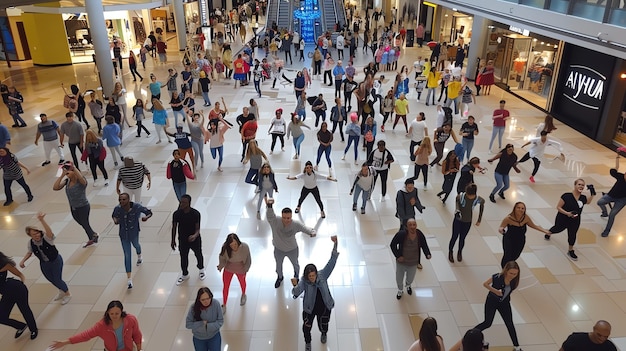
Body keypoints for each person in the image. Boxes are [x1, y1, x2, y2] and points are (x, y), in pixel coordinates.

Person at [291, 236, 339, 350]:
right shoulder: (304, 281)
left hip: (324, 306)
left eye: (313, 275)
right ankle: (308, 343)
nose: (312, 278)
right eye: (310, 276)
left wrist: (335, 244)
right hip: (309, 309)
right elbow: (296, 292)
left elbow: (332, 262)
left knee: (323, 324)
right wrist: (295, 285)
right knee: (306, 328)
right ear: (306, 276)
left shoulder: (323, 275)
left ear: (316, 273)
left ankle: (324, 333)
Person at [19, 212, 72, 304]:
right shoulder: (31, 243)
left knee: (57, 279)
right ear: (30, 236)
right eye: (34, 234)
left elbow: (49, 232)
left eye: (37, 233)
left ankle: (67, 294)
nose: (37, 235)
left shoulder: (47, 238)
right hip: (44, 263)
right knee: (50, 279)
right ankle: (61, 290)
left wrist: (42, 220)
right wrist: (23, 261)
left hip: (55, 261)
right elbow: (29, 252)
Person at [265, 197, 316, 288]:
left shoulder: (295, 224)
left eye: (288, 218)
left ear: (291, 217)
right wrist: (269, 206)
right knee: (278, 266)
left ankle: (296, 276)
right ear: (281, 216)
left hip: (292, 249)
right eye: (284, 218)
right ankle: (280, 277)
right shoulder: (275, 221)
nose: (286, 220)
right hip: (278, 249)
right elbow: (270, 216)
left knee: (295, 264)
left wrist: (311, 232)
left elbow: (304, 228)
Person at [50, 300, 142, 350]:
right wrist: (66, 342)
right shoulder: (102, 326)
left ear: (121, 312)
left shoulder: (130, 320)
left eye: (117, 313)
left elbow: (137, 334)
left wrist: (139, 349)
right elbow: (85, 335)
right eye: (112, 314)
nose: (114, 316)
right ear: (108, 313)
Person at [474, 261, 523, 351]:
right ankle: (472, 334)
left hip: (504, 303)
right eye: (511, 273)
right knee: (487, 322)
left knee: (510, 323)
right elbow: (485, 284)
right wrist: (495, 291)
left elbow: (509, 291)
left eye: (515, 274)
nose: (513, 275)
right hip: (492, 302)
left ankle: (517, 346)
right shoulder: (497, 277)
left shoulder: (514, 281)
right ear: (506, 271)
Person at [546, 179, 595, 261]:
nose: (581, 186)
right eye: (579, 184)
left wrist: (592, 194)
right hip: (563, 218)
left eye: (583, 185)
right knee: (557, 229)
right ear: (575, 185)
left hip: (575, 220)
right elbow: (558, 207)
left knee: (572, 234)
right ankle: (549, 232)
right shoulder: (566, 196)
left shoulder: (583, 197)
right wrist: (567, 213)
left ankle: (570, 250)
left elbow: (588, 202)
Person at [53, 161, 99, 247]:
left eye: (68, 173)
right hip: (73, 207)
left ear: (74, 172)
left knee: (85, 223)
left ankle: (92, 237)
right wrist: (62, 175)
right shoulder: (67, 181)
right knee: (81, 223)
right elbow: (55, 187)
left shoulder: (81, 182)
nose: (67, 174)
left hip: (83, 207)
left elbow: (82, 180)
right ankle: (93, 234)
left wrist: (73, 168)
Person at [112, 192, 152, 289]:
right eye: (120, 199)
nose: (121, 201)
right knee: (127, 255)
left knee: (136, 245)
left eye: (124, 199)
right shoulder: (118, 209)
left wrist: (146, 217)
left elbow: (149, 212)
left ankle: (139, 255)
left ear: (129, 200)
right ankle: (129, 279)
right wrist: (115, 220)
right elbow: (114, 215)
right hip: (123, 235)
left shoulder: (137, 207)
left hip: (134, 233)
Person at [0, 251, 38, 340]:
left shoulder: (5, 265)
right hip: (7, 294)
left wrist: (22, 283)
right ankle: (21, 326)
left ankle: (33, 329)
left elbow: (20, 275)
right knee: (1, 317)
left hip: (17, 290)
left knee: (24, 309)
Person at [498, 202, 550, 267]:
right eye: (518, 208)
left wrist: (544, 231)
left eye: (522, 208)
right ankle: (504, 269)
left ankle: (509, 267)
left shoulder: (525, 218)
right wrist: (501, 230)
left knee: (515, 255)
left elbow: (534, 226)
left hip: (520, 240)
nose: (520, 209)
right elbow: (501, 227)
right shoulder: (508, 218)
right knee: (507, 255)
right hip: (509, 240)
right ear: (514, 208)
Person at [390, 219, 431, 299]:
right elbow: (393, 244)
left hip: (413, 262)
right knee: (399, 278)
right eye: (410, 225)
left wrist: (427, 254)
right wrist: (398, 256)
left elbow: (424, 245)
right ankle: (400, 290)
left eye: (414, 224)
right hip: (401, 263)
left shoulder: (419, 234)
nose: (412, 227)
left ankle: (408, 285)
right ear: (406, 227)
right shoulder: (401, 234)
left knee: (410, 278)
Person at [172, 194, 205, 285]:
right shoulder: (177, 214)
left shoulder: (195, 214)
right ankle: (185, 274)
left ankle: (201, 269)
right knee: (183, 257)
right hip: (182, 239)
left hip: (195, 239)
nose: (181, 204)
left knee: (198, 254)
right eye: (181, 202)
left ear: (189, 203)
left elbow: (198, 229)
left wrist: (194, 236)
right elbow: (174, 227)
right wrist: (173, 240)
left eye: (184, 202)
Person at [448, 184, 484, 263]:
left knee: (462, 238)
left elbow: (482, 204)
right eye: (468, 195)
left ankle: (459, 252)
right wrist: (457, 211)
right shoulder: (460, 196)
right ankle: (450, 252)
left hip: (467, 221)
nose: (469, 197)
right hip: (458, 220)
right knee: (454, 236)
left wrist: (479, 219)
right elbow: (457, 204)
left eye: (471, 195)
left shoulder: (477, 199)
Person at [217, 233, 251, 312]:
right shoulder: (225, 248)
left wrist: (246, 269)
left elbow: (248, 259)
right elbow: (221, 258)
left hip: (241, 269)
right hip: (229, 268)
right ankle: (224, 304)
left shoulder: (245, 247)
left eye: (235, 244)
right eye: (231, 245)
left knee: (242, 282)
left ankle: (243, 294)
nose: (234, 247)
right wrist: (221, 266)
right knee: (226, 286)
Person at [597, 166, 626, 237]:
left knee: (612, 215)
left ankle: (607, 231)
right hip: (611, 195)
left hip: (622, 200)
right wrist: (616, 167)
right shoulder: (620, 176)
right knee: (599, 202)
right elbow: (612, 172)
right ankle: (604, 213)